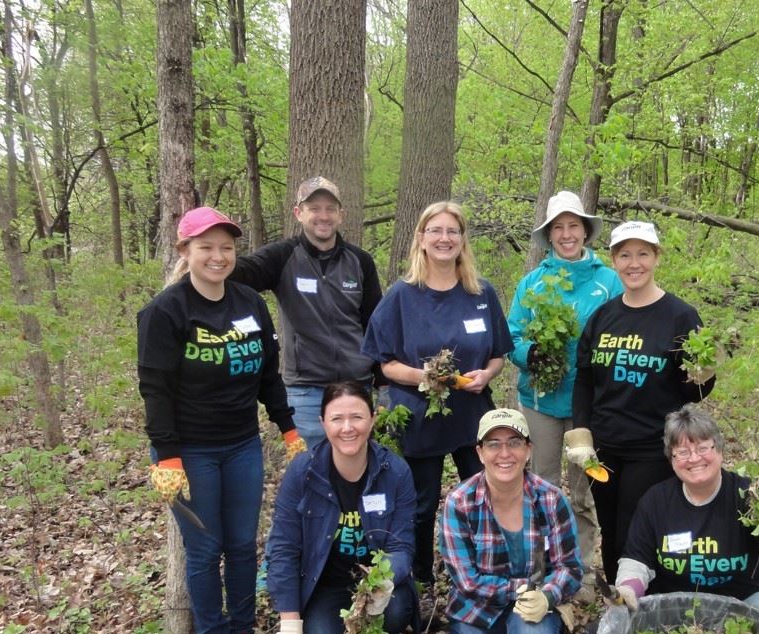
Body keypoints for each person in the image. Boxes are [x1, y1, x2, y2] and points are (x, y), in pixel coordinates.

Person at [137, 206, 306, 634]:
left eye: (226, 247)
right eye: (206, 247)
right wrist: (166, 454)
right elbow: (155, 388)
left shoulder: (250, 303)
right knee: (205, 548)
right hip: (189, 452)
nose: (217, 256)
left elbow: (268, 375)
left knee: (241, 544)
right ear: (185, 251)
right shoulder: (166, 311)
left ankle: (244, 633)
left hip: (241, 445)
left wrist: (288, 428)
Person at [362, 201, 513, 584]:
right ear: (421, 239)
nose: (444, 239)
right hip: (418, 413)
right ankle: (418, 581)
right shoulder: (402, 296)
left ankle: (481, 572)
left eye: (452, 231)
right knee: (421, 503)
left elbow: (498, 354)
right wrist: (423, 376)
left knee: (484, 495)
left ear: (463, 240)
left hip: (472, 413)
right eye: (436, 231)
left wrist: (487, 374)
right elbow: (384, 363)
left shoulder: (481, 293)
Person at [569, 221, 716, 586]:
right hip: (603, 447)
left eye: (642, 254)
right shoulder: (603, 316)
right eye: (625, 255)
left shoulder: (681, 316)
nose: (634, 263)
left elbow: (694, 392)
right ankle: (620, 604)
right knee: (610, 527)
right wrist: (581, 433)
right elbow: (585, 378)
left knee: (635, 528)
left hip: (651, 446)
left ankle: (644, 603)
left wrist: (705, 374)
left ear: (656, 257)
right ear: (614, 261)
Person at [265, 382, 417, 634]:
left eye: (357, 417)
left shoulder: (395, 472)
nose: (347, 428)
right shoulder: (303, 473)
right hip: (326, 587)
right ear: (323, 423)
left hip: (376, 587)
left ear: (372, 419)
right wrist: (290, 624)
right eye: (337, 419)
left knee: (399, 602)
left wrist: (384, 577)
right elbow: (283, 548)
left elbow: (403, 546)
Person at [439, 409, 583, 634]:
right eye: (493, 444)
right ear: (479, 452)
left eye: (514, 442)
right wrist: (520, 589)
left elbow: (570, 568)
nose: (505, 453)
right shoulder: (459, 502)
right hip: (477, 611)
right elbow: (466, 580)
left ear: (528, 449)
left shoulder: (550, 499)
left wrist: (547, 596)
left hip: (533, 610)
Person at [506, 190, 622, 575]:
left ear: (585, 231)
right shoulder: (534, 283)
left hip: (588, 405)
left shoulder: (609, 281)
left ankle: (582, 567)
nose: (567, 234)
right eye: (559, 228)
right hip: (541, 402)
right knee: (542, 487)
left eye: (574, 226)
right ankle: (540, 565)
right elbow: (513, 335)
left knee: (584, 489)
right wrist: (532, 354)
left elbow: (624, 331)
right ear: (549, 234)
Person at [615, 404, 759, 625]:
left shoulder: (748, 495)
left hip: (745, 600)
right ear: (672, 460)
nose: (694, 458)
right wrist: (629, 588)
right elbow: (636, 559)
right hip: (674, 604)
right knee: (624, 625)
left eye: (703, 448)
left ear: (720, 451)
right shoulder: (656, 501)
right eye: (683, 452)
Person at [232, 176, 382, 446]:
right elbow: (241, 273)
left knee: (357, 468)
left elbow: (375, 324)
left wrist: (383, 381)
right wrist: (211, 254)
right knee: (310, 471)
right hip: (305, 390)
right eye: (314, 208)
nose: (323, 216)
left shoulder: (360, 261)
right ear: (298, 213)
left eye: (330, 209)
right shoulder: (283, 256)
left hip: (356, 386)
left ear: (341, 215)